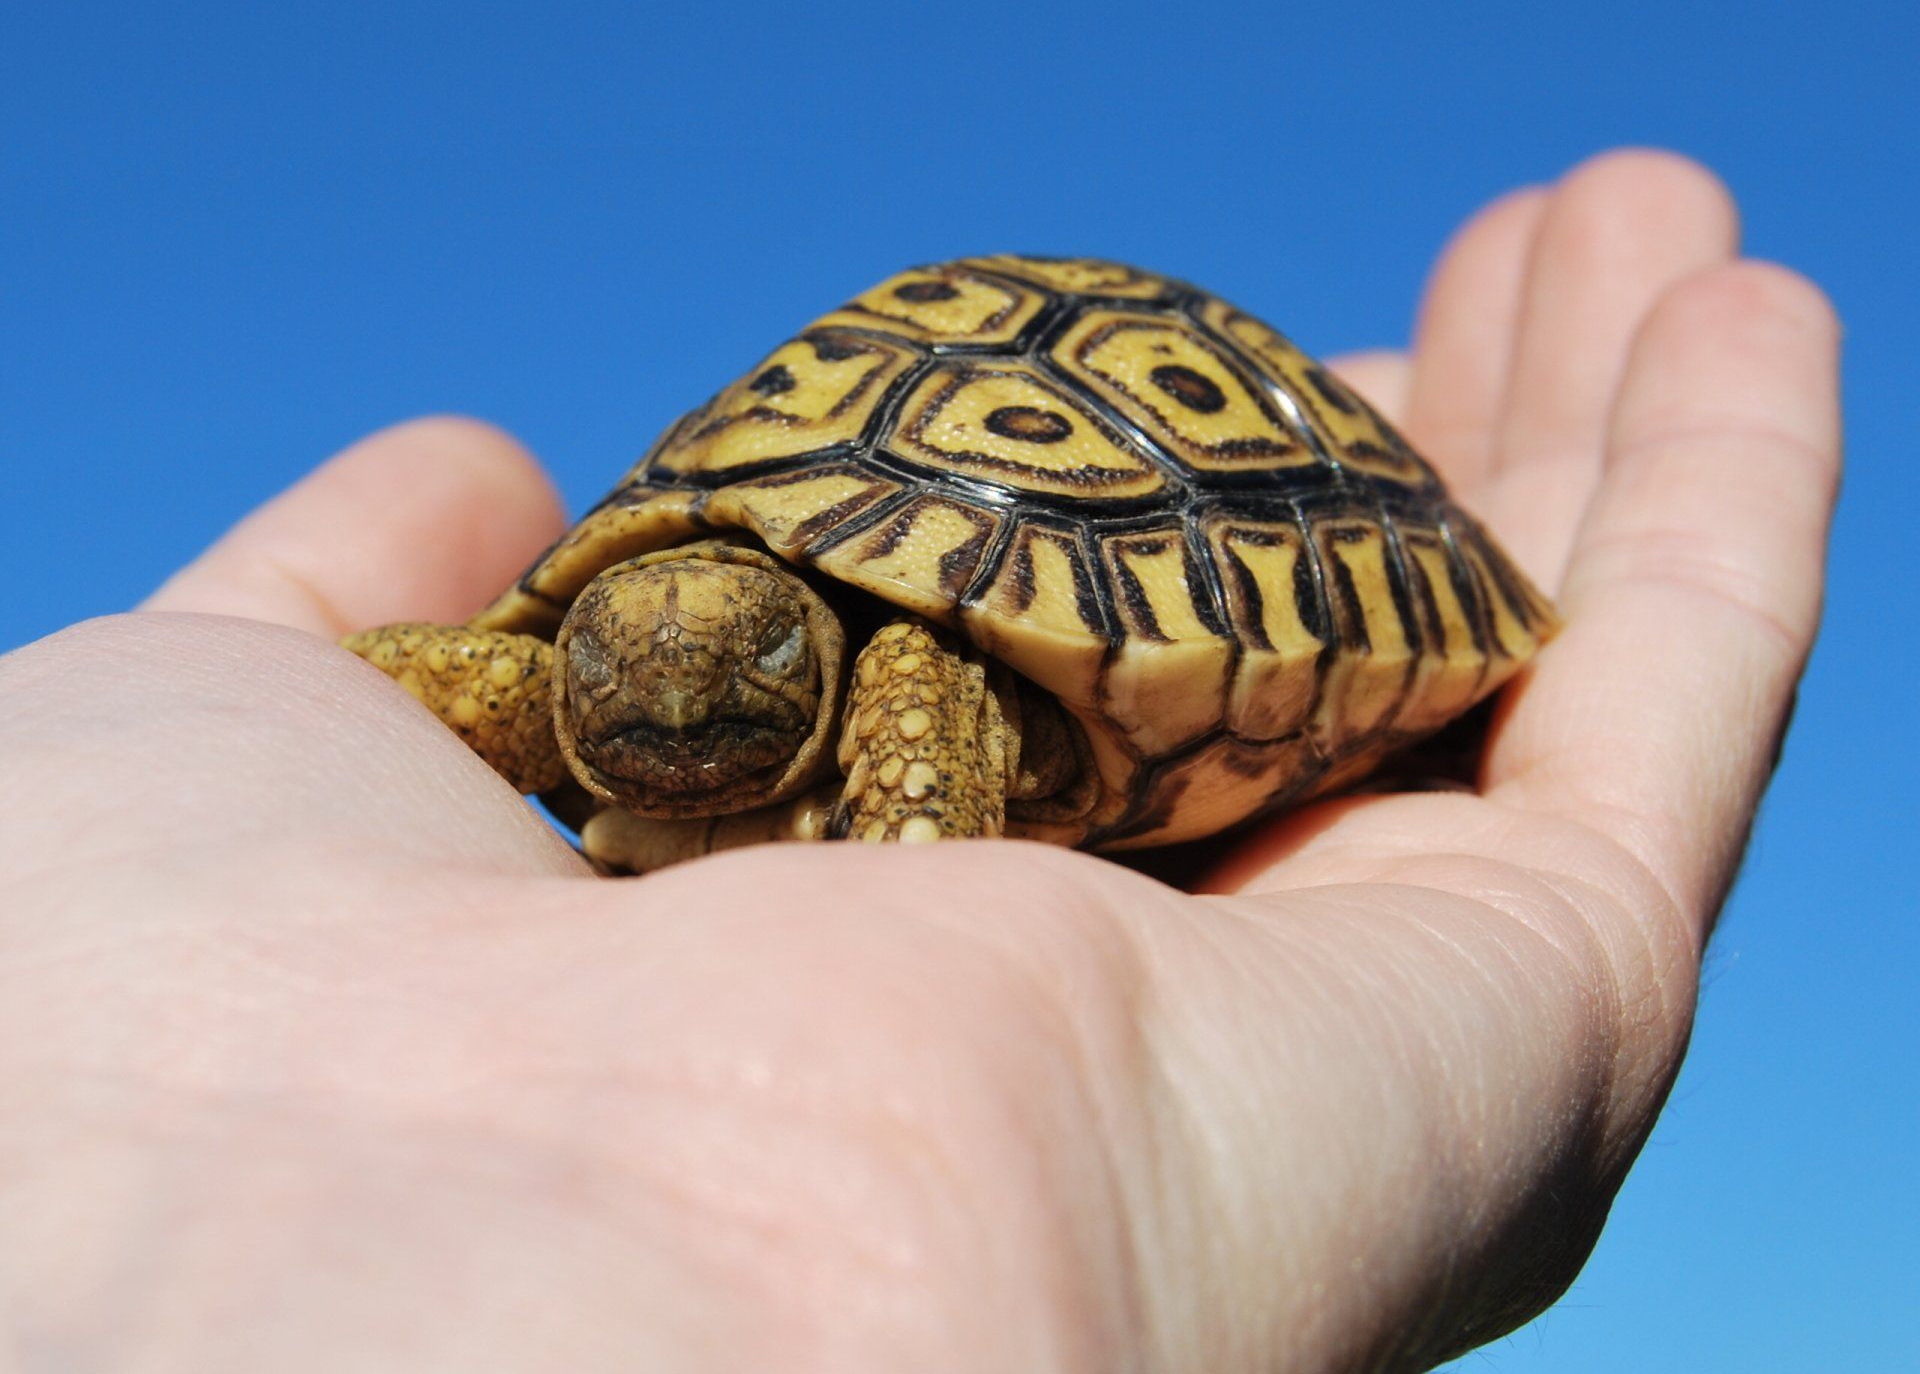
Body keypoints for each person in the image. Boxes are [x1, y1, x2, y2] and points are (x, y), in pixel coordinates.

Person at [0, 150, 1839, 1371]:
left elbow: (872, 672)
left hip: (1157, 468)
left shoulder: (898, 669)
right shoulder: (576, 658)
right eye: (620, 670)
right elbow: (485, 678)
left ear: (812, 652)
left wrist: (905, 858)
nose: (669, 695)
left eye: (740, 666)